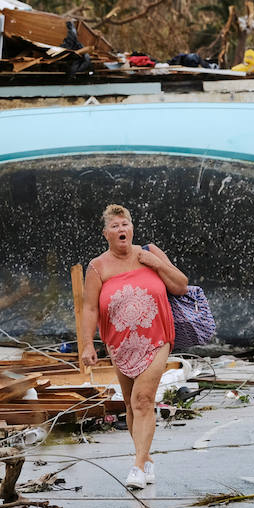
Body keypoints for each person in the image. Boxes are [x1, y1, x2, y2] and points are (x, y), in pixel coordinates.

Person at [78, 204, 188, 489]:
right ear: (106, 234)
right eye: (114, 226)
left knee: (143, 399)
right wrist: (88, 344)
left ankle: (138, 466)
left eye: (125, 224)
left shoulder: (149, 252)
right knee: (129, 404)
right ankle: (146, 457)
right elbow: (89, 308)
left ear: (132, 228)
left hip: (156, 338)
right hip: (119, 344)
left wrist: (157, 264)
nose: (121, 230)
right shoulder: (97, 267)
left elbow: (181, 285)